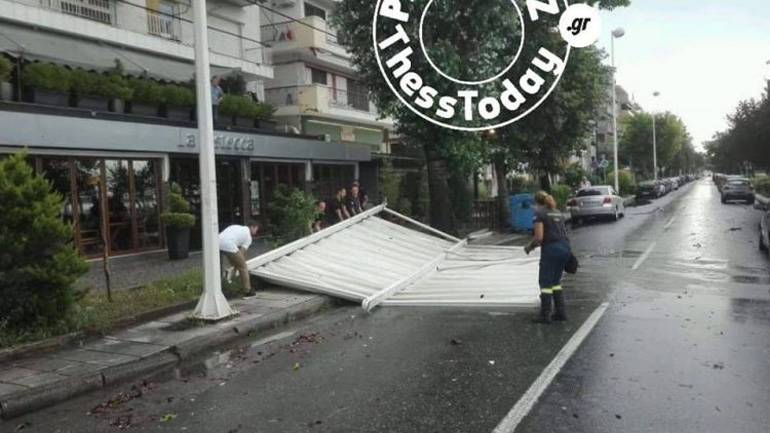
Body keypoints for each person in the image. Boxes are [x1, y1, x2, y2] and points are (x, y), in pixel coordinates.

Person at [524, 191, 571, 324]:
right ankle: (560, 312)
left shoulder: (540, 215)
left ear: (537, 203)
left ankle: (545, 315)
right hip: (565, 249)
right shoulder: (558, 212)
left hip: (551, 250)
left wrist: (529, 247)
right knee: (555, 281)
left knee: (545, 282)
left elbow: (539, 237)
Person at [219, 220, 259, 299]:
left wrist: (234, 264)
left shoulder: (236, 227)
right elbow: (241, 253)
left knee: (221, 265)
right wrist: (237, 264)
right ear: (251, 227)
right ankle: (248, 291)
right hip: (228, 244)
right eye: (256, 229)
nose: (256, 232)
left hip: (217, 241)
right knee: (243, 266)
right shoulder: (248, 237)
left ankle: (223, 280)